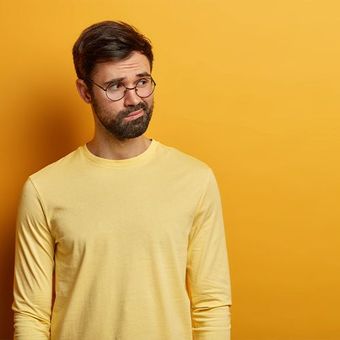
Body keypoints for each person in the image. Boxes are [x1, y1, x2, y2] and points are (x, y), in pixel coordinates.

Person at [12, 21, 232, 340]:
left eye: (142, 82)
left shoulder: (195, 179)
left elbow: (211, 304)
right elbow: (31, 314)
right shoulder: (43, 189)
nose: (133, 99)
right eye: (115, 86)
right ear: (85, 92)